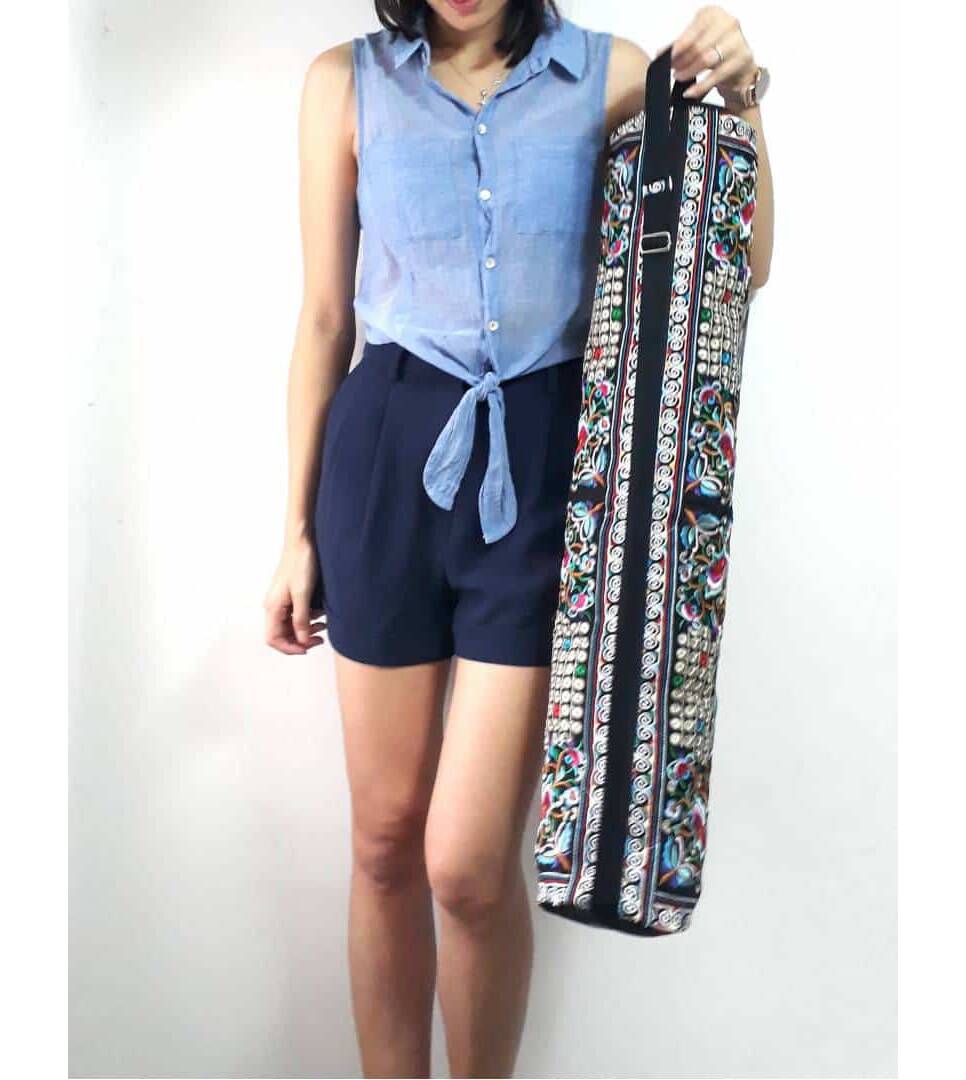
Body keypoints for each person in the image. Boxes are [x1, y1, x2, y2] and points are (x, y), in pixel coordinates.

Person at [263, 1, 774, 1075]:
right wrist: (295, 530)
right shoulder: (344, 84)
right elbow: (323, 317)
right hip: (383, 464)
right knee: (384, 840)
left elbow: (745, 257)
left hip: (548, 472)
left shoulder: (610, 74)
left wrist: (744, 99)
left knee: (467, 865)